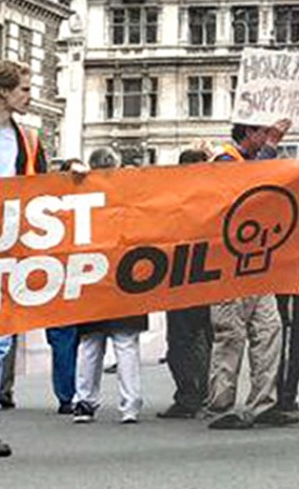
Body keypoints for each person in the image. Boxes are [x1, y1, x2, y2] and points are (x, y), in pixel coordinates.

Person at [205, 120, 299, 431]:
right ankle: (221, 406)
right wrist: (272, 147)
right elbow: (250, 188)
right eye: (263, 133)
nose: (267, 138)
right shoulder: (224, 160)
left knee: (270, 330)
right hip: (228, 266)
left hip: (257, 264)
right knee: (230, 334)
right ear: (249, 133)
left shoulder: (245, 159)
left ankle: (263, 403)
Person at [0, 59, 49, 457]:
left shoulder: (30, 140)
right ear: (3, 92)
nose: (29, 94)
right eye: (23, 88)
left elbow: (43, 189)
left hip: (5, 251)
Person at [70, 148, 149, 425]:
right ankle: (130, 405)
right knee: (126, 343)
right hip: (129, 275)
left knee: (90, 343)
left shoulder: (81, 194)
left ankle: (84, 402)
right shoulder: (132, 195)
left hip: (92, 274)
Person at [158, 147, 216, 419]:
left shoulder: (172, 196)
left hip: (181, 277)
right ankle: (206, 395)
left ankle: (188, 396)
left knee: (181, 341)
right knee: (208, 339)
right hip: (209, 277)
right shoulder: (215, 195)